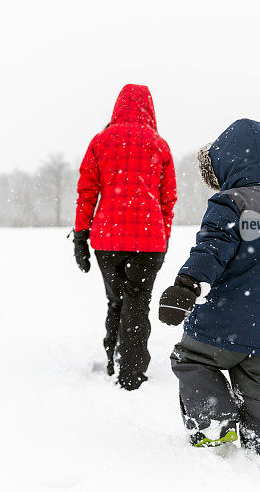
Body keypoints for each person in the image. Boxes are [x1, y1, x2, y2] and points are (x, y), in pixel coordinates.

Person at [158, 119, 260, 471]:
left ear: (227, 162)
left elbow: (212, 249)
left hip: (227, 320)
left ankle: (214, 426)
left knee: (192, 357)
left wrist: (186, 284)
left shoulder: (232, 203)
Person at [72, 84, 177, 391]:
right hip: (148, 240)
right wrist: (164, 235)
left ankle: (112, 359)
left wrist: (81, 236)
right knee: (138, 303)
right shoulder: (159, 145)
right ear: (150, 109)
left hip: (108, 240)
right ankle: (132, 372)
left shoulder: (101, 142)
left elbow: (86, 193)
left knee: (116, 300)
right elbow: (168, 200)